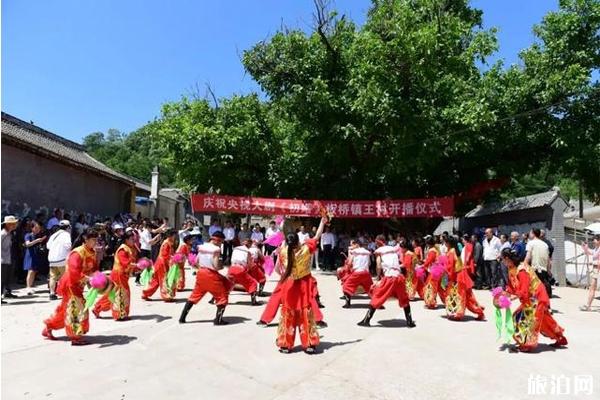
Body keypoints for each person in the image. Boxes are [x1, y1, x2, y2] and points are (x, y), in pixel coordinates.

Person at [275, 216, 327, 354]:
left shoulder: (283, 252)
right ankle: (309, 343)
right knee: (306, 315)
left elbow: (277, 269)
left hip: (289, 285)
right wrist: (322, 222)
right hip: (303, 285)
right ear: (298, 241)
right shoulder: (305, 250)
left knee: (288, 314)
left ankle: (285, 344)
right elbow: (317, 236)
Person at [501, 248, 567, 352]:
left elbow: (524, 289)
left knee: (525, 319)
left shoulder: (521, 270)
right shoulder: (512, 268)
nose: (502, 262)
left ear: (507, 258)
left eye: (503, 259)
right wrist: (507, 292)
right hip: (531, 298)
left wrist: (514, 296)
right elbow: (512, 285)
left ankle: (528, 344)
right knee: (545, 321)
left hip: (537, 297)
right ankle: (560, 338)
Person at [42, 229, 99, 345]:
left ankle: (48, 327)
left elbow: (93, 269)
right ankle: (75, 336)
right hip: (71, 285)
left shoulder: (92, 252)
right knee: (77, 310)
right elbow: (74, 273)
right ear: (86, 239)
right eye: (93, 240)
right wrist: (89, 279)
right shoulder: (77, 253)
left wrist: (97, 279)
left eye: (96, 239)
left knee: (65, 310)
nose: (95, 242)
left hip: (79, 285)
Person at [357, 234, 415, 328]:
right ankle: (409, 322)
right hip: (399, 277)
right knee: (404, 299)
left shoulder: (380, 251)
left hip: (389, 278)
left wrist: (378, 277)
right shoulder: (392, 249)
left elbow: (379, 266)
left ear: (378, 242)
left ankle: (366, 320)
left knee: (377, 296)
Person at [179, 231, 232, 325]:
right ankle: (218, 320)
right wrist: (221, 266)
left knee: (194, 296)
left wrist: (202, 268)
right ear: (217, 240)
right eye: (221, 242)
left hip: (201, 273)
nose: (221, 244)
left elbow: (195, 262)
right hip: (211, 275)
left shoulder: (201, 246)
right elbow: (216, 266)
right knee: (222, 297)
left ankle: (182, 318)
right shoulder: (216, 249)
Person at [93, 230, 138, 320]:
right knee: (121, 294)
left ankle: (97, 308)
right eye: (132, 239)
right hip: (119, 275)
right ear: (126, 240)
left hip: (122, 275)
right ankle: (120, 314)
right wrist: (137, 265)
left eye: (134, 239)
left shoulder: (129, 248)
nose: (134, 241)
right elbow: (125, 262)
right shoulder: (123, 249)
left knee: (112, 294)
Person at [443, 236, 485, 321]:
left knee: (461, 295)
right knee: (467, 295)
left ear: (448, 243)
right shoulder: (453, 250)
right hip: (459, 274)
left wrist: (448, 276)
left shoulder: (451, 251)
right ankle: (479, 311)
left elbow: (451, 266)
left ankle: (459, 313)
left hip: (458, 276)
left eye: (445, 242)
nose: (444, 244)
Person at [142, 229, 178, 302]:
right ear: (171, 235)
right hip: (162, 264)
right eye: (174, 235)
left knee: (155, 281)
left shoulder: (169, 242)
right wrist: (173, 258)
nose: (175, 237)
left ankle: (145, 294)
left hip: (160, 263)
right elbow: (165, 255)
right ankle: (166, 296)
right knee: (163, 280)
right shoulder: (166, 243)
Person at [227, 239, 261, 305]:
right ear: (249, 244)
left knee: (228, 284)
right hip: (240, 269)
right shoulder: (248, 251)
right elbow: (249, 264)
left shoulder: (235, 248)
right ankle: (254, 301)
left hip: (231, 268)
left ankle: (214, 298)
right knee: (253, 283)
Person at [341, 240, 373, 308]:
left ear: (357, 245)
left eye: (353, 245)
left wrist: (349, 268)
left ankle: (347, 303)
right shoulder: (367, 252)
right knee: (371, 288)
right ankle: (377, 303)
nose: (352, 246)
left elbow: (349, 263)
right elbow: (369, 263)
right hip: (366, 273)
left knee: (346, 286)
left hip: (357, 272)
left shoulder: (354, 252)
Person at [46, 220, 72, 300]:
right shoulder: (66, 235)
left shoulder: (54, 235)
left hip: (52, 259)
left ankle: (52, 293)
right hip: (62, 259)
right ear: (68, 227)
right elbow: (68, 246)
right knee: (65, 276)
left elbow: (48, 246)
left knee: (53, 277)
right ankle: (65, 293)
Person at [524, 228, 552, 298]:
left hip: (535, 269)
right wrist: (548, 270)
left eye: (530, 233)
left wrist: (524, 265)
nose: (529, 234)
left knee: (534, 290)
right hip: (544, 270)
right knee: (543, 289)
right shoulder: (545, 244)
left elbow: (528, 256)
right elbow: (548, 259)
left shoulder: (531, 243)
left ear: (533, 234)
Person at [23, 220, 47, 295]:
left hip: (36, 255)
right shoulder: (28, 235)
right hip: (30, 255)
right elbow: (27, 244)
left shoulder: (38, 235)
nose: (38, 230)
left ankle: (30, 286)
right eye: (36, 228)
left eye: (39, 228)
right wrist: (37, 241)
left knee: (34, 271)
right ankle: (28, 287)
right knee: (30, 271)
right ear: (32, 228)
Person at [421, 235, 444, 308]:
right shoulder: (435, 249)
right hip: (438, 269)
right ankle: (446, 300)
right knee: (439, 287)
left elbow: (429, 260)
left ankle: (432, 303)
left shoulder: (432, 250)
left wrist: (423, 266)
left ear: (428, 243)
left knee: (431, 286)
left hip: (435, 270)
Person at [1, 216, 19, 303]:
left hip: (7, 258)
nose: (15, 225)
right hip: (2, 260)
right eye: (13, 223)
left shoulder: (9, 233)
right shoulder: (3, 234)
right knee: (1, 279)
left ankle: (7, 293)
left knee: (7, 278)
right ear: (8, 224)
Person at [580, 235, 600, 311]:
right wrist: (584, 246)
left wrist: (592, 262)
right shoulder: (596, 249)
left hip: (597, 270)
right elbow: (589, 252)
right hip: (596, 271)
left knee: (592, 288)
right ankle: (588, 305)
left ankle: (588, 306)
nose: (593, 242)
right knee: (592, 288)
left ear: (599, 241)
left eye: (594, 240)